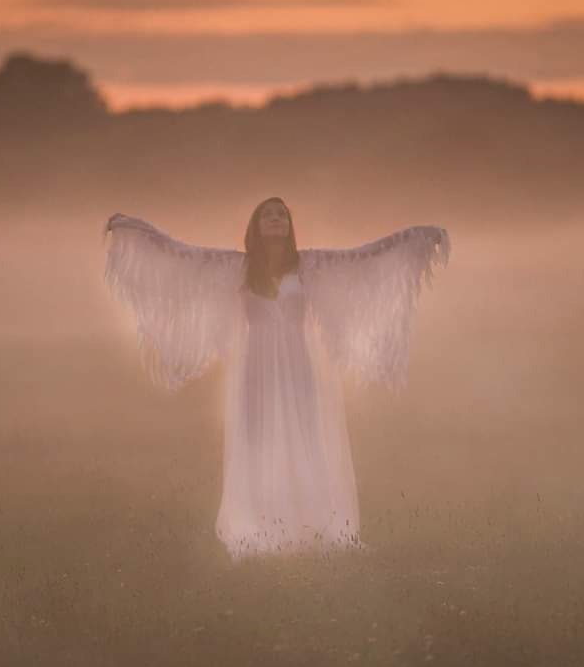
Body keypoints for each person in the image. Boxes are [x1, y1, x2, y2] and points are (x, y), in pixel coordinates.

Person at [102, 197, 451, 558]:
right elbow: (178, 255)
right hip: (258, 364)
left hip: (298, 363)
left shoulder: (309, 266)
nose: (275, 219)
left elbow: (367, 257)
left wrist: (419, 237)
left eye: (281, 215)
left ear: (289, 226)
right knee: (257, 438)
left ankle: (312, 524)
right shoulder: (238, 268)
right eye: (268, 214)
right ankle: (262, 523)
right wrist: (132, 228)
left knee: (305, 434)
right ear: (255, 225)